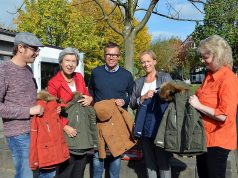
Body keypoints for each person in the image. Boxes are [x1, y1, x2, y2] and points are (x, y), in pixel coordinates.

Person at [189, 35, 238, 178]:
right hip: (205, 138)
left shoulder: (228, 79)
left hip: (218, 140)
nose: (203, 60)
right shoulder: (209, 76)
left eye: (206, 57)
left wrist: (198, 105)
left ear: (218, 56)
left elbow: (224, 115)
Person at [0, 32, 44, 178]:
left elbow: (29, 98)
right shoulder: (3, 70)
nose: (36, 53)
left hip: (34, 130)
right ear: (20, 48)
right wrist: (28, 111)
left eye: (37, 50)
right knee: (26, 175)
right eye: (34, 49)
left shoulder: (28, 70)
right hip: (18, 134)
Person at [88, 42, 134, 178]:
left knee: (116, 154)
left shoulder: (127, 75)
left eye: (114, 55)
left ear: (119, 56)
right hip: (99, 121)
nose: (111, 57)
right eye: (108, 54)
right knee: (97, 155)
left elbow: (132, 96)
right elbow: (91, 93)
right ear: (104, 56)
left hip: (117, 122)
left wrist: (124, 101)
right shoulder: (96, 72)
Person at [47, 47, 93, 178]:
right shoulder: (54, 83)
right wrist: (64, 126)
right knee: (66, 170)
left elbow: (86, 95)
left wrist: (90, 98)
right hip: (66, 130)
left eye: (74, 61)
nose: (70, 64)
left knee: (79, 170)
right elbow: (51, 110)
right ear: (60, 62)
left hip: (81, 129)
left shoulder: (79, 77)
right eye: (67, 60)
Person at [129, 50, 172, 178]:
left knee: (163, 161)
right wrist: (142, 98)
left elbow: (173, 97)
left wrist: (160, 94)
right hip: (144, 126)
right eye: (143, 62)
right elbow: (132, 103)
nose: (146, 64)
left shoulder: (165, 77)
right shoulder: (138, 82)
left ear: (154, 61)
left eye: (148, 61)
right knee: (149, 163)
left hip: (161, 125)